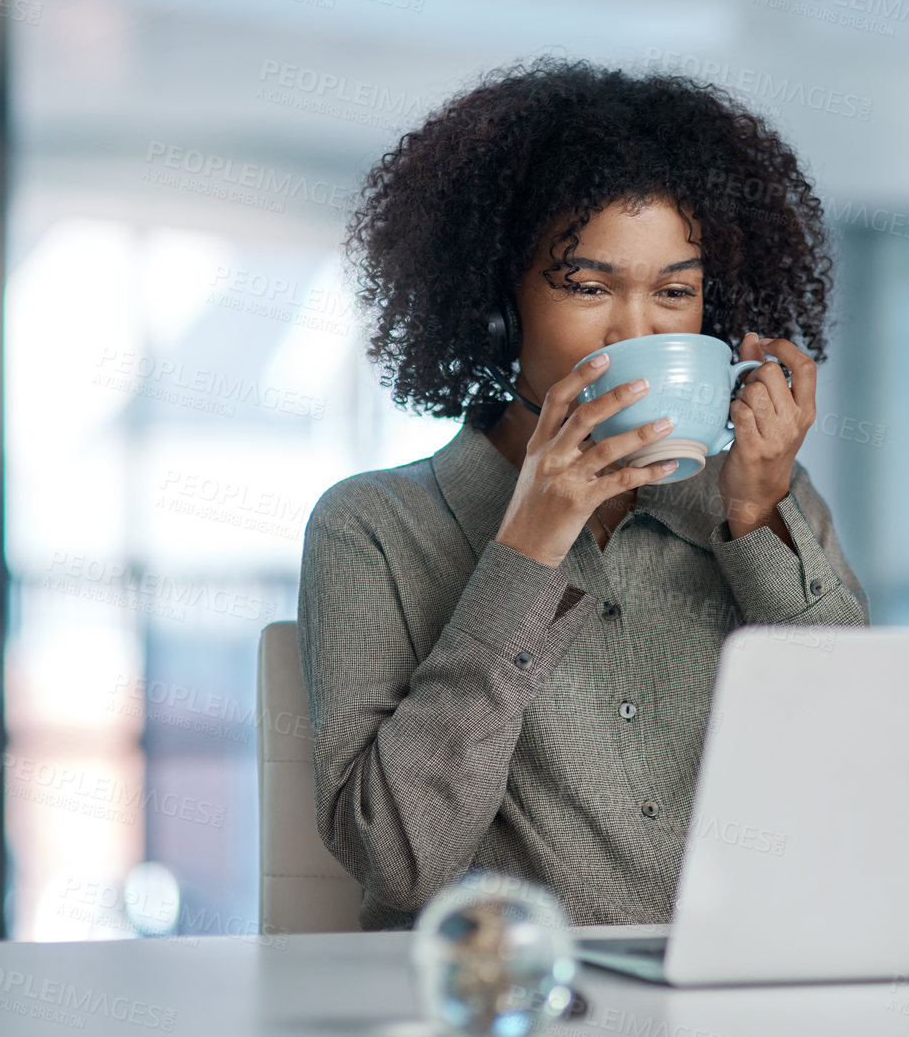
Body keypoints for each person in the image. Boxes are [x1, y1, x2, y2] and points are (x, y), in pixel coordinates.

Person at [298, 56, 869, 930]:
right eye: (588, 287)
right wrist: (526, 552)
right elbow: (398, 864)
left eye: (674, 293)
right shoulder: (372, 529)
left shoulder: (765, 502)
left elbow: (864, 777)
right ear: (496, 305)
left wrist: (759, 517)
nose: (635, 331)